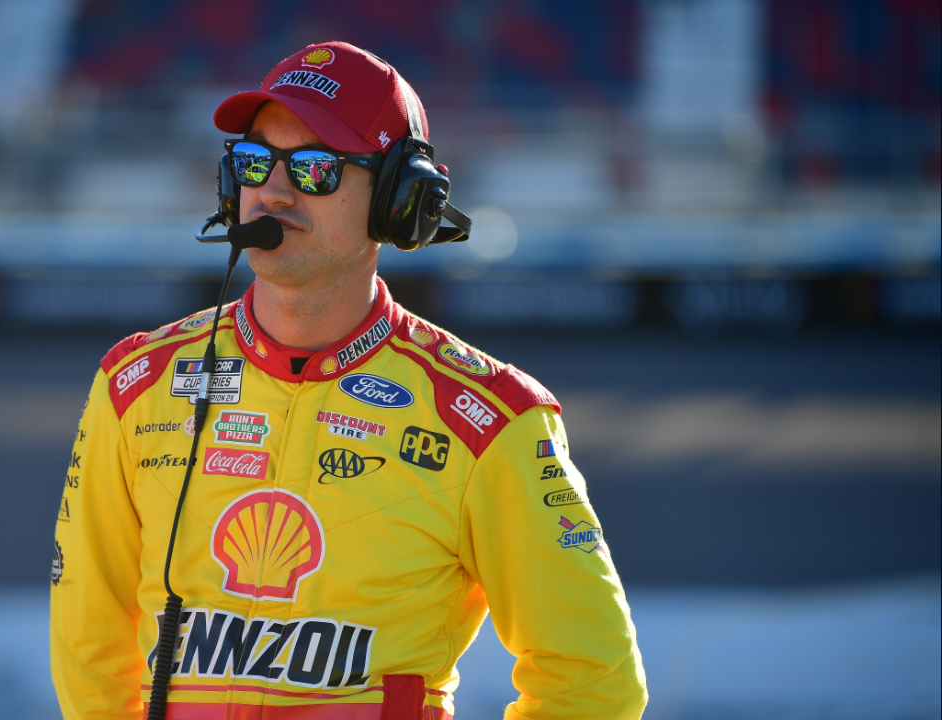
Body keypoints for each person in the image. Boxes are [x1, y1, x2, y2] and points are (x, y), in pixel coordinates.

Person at [51, 41, 647, 720]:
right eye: (254, 163)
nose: (273, 190)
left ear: (398, 199)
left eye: (315, 168)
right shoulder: (135, 385)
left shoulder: (491, 421)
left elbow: (594, 683)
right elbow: (89, 651)